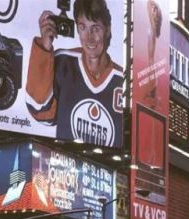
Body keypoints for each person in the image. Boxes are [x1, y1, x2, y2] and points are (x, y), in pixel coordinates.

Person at [26, 0, 123, 147]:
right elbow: (40, 113)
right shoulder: (64, 61)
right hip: (63, 161)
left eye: (96, 29)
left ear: (108, 30)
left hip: (106, 162)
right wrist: (44, 48)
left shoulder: (120, 79)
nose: (89, 37)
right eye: (83, 27)